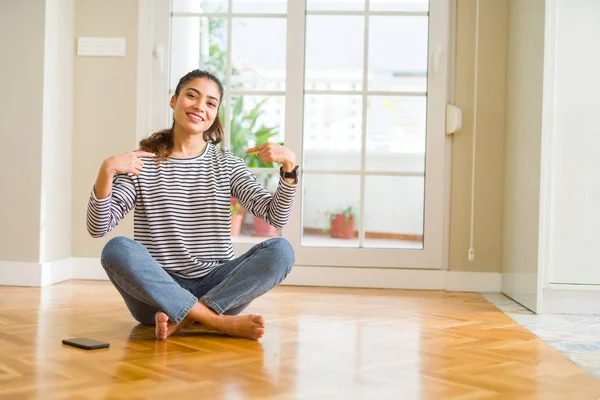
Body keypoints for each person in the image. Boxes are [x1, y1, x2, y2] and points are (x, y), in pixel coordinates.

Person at [87, 69, 299, 341]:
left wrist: (289, 168)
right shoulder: (142, 164)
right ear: (174, 100)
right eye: (192, 96)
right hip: (158, 294)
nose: (200, 106)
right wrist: (106, 170)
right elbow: (98, 227)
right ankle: (216, 322)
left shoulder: (226, 164)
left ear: (214, 114)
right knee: (116, 249)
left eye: (210, 103)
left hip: (218, 289)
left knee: (281, 250)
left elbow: (275, 217)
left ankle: (187, 318)